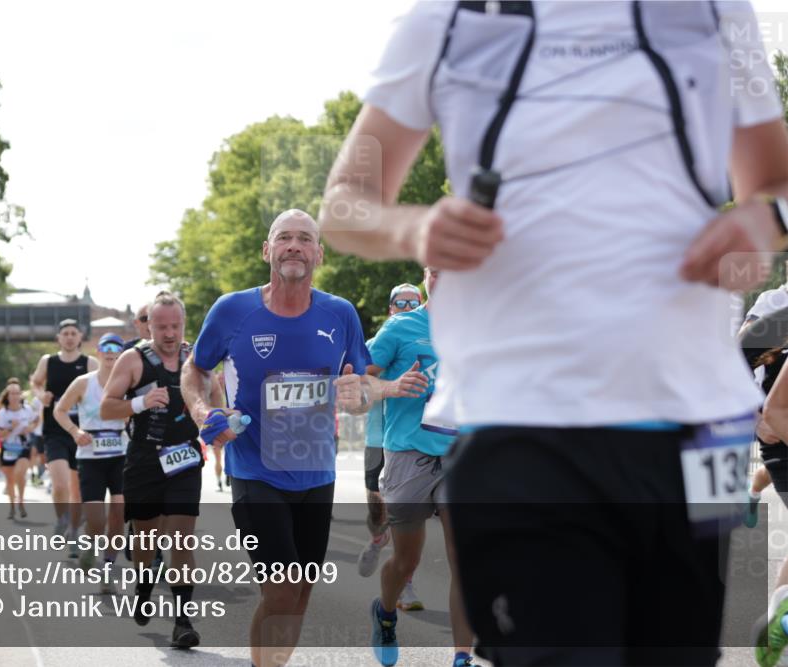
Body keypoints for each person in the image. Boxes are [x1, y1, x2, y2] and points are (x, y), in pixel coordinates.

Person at [319, 3, 788, 664]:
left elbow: (775, 181)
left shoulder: (714, 10)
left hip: (695, 432)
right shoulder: (448, 19)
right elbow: (344, 201)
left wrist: (761, 224)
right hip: (520, 425)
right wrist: (415, 229)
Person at [180, 209, 375, 667]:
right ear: (267, 251)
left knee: (301, 590)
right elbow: (195, 369)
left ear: (319, 254)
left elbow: (362, 388)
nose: (294, 246)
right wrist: (204, 411)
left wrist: (358, 395)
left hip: (316, 470)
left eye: (304, 239)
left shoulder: (341, 314)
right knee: (284, 587)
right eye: (284, 238)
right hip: (254, 469)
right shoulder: (232, 310)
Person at [365, 267, 473, 666]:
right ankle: (386, 611)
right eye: (436, 269)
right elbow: (360, 380)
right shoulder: (401, 327)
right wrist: (391, 387)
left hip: (461, 456)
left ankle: (463, 656)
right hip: (408, 455)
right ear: (426, 273)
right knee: (406, 560)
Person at [102, 291, 204, 648]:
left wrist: (224, 423)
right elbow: (106, 408)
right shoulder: (133, 359)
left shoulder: (196, 357)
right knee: (146, 543)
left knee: (181, 538)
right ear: (149, 326)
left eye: (176, 325)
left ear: (184, 324)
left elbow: (216, 398)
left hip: (186, 459)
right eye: (161, 326)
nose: (170, 333)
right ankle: (143, 584)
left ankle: (182, 621)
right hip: (144, 460)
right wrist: (141, 401)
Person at [356, 282, 423, 613]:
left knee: (405, 517)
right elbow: (358, 390)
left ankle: (405, 585)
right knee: (376, 511)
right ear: (390, 308)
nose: (409, 306)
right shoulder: (373, 346)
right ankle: (377, 537)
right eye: (402, 301)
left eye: (415, 301)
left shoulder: (427, 343)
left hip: (409, 445)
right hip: (375, 440)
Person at [55, 333, 128, 591]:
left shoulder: (129, 382)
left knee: (119, 513)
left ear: (122, 354)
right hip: (91, 458)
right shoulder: (83, 382)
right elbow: (59, 410)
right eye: (106, 348)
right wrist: (75, 432)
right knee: (97, 521)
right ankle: (90, 542)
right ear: (98, 352)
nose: (111, 353)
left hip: (121, 455)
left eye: (116, 348)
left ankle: (107, 569)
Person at [31, 319, 98, 547]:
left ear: (80, 337)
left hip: (82, 432)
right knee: (59, 484)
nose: (69, 337)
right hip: (55, 430)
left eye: (73, 333)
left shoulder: (90, 363)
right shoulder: (48, 361)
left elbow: (101, 389)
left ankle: (73, 528)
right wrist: (40, 395)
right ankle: (62, 518)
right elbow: (36, 383)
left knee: (77, 489)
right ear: (58, 338)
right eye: (65, 333)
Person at [0, 378, 39, 519]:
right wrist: (11, 428)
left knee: (20, 473)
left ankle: (21, 502)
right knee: (10, 480)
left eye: (17, 393)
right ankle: (12, 507)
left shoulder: (27, 409)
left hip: (23, 446)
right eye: (12, 393)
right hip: (7, 448)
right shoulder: (3, 413)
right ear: (7, 396)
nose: (15, 396)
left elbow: (36, 420)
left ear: (21, 395)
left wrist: (30, 428)